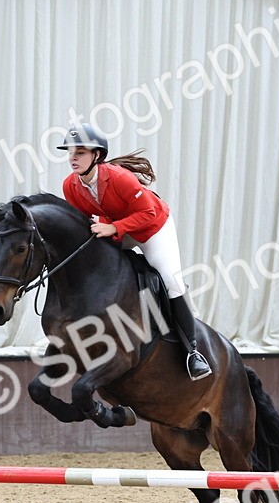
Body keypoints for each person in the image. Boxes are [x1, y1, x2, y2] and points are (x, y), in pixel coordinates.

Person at [56, 123, 212, 381]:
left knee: (171, 282)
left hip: (153, 229)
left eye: (80, 152)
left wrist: (114, 227)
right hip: (116, 228)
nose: (73, 157)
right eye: (71, 152)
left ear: (97, 155)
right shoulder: (69, 186)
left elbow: (148, 213)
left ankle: (193, 352)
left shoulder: (119, 178)